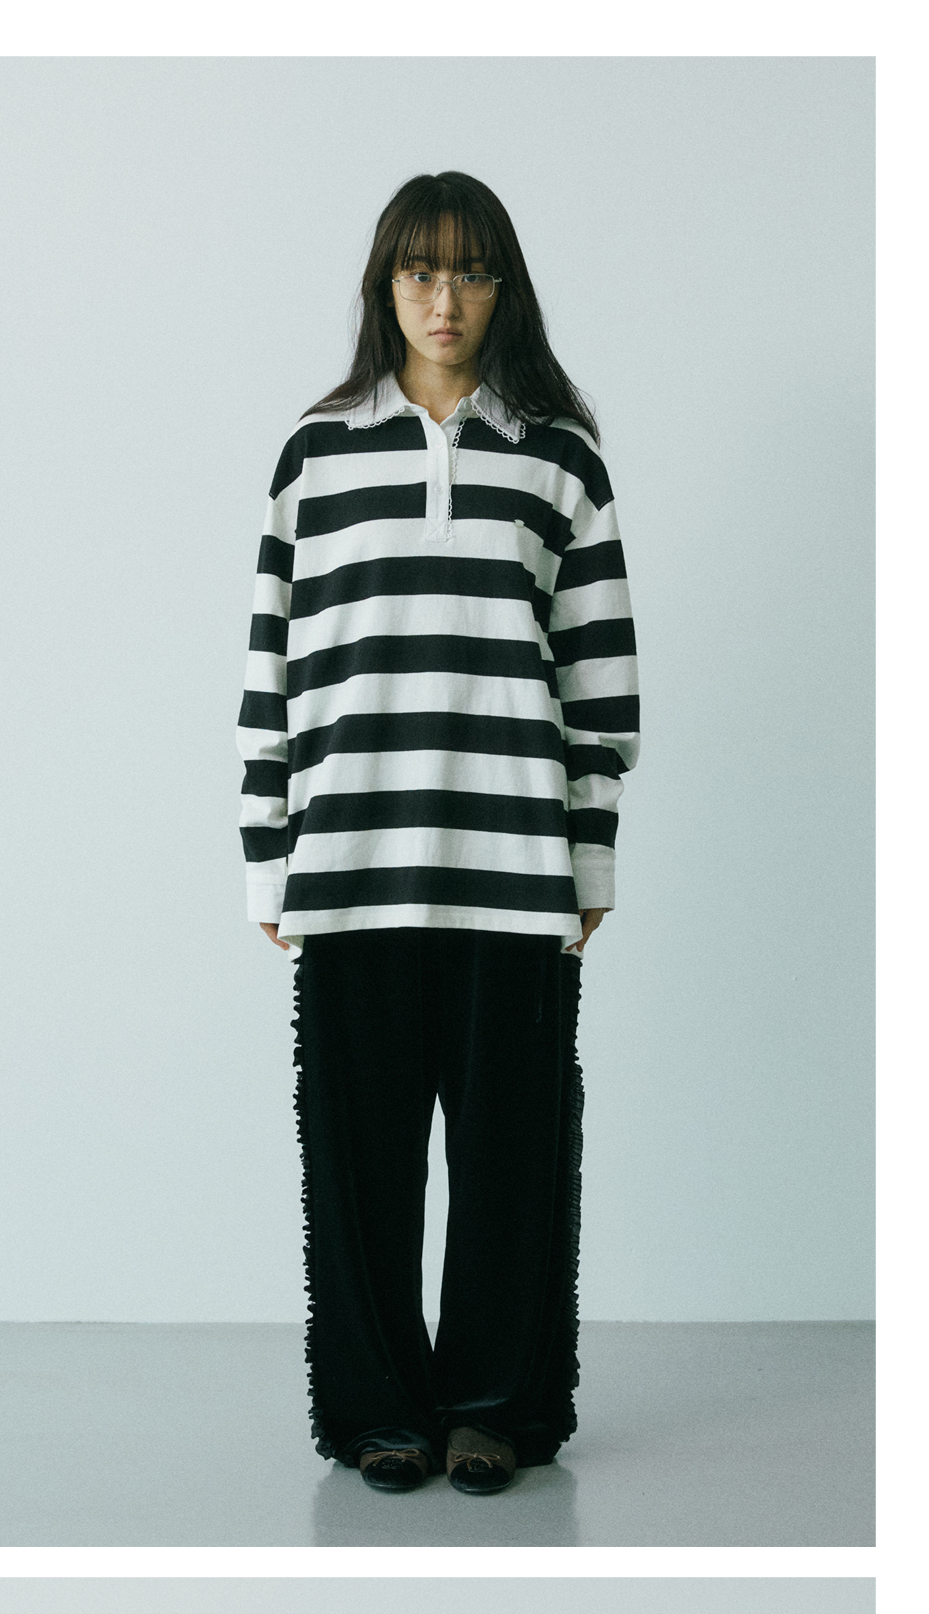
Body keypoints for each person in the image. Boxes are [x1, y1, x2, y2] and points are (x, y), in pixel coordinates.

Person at [237, 169, 639, 1493]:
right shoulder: (316, 453)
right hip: (351, 868)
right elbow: (272, 670)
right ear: (385, 287)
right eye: (420, 271)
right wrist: (268, 855)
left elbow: (600, 680)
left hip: (515, 869)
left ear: (503, 288)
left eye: (470, 271)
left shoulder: (559, 457)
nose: (444, 298)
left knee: (513, 1157)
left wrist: (589, 855)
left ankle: (494, 1408)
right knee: (358, 1163)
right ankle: (378, 1410)